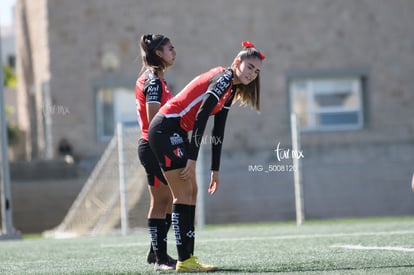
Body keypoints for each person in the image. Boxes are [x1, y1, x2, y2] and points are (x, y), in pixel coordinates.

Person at [148, 41, 265, 272]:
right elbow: (202, 116)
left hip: (176, 131)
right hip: (164, 128)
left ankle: (188, 258)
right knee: (183, 191)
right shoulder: (223, 78)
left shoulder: (231, 89)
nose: (252, 74)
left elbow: (218, 130)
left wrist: (215, 170)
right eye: (250, 67)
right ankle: (183, 260)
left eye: (257, 71)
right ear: (236, 63)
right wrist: (192, 159)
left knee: (192, 190)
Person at [135, 33, 177, 271]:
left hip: (156, 145)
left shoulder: (156, 79)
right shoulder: (153, 81)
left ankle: (156, 251)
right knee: (161, 201)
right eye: (170, 48)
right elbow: (154, 121)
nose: (174, 51)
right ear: (158, 53)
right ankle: (160, 258)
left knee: (170, 199)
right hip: (153, 146)